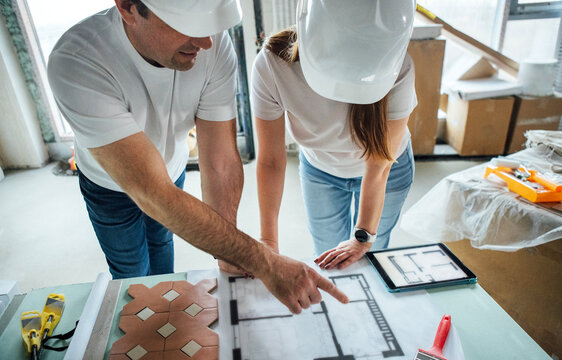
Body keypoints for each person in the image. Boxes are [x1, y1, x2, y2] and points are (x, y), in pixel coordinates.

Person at [47, 0, 348, 314]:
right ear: (127, 7)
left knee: (163, 261)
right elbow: (152, 193)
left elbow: (220, 163)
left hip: (171, 171)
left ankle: (160, 320)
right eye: (189, 26)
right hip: (108, 186)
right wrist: (263, 260)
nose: (205, 42)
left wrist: (230, 256)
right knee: (131, 273)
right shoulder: (77, 61)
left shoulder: (212, 42)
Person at [253, 0, 417, 270]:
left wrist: (363, 236)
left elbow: (379, 164)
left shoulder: (399, 66)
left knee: (371, 258)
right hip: (320, 170)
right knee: (329, 258)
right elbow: (270, 160)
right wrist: (268, 240)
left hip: (388, 169)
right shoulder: (272, 65)